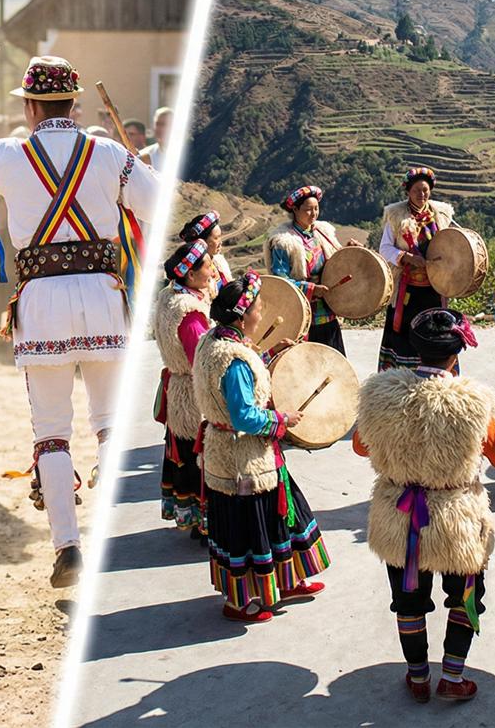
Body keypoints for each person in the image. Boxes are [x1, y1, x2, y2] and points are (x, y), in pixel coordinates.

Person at [0, 55, 160, 587]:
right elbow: (156, 203)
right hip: (101, 296)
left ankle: (67, 546)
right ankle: (114, 539)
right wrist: (138, 170)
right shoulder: (108, 152)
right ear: (73, 103)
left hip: (41, 303)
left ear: (28, 107)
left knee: (51, 430)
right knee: (109, 421)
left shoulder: (7, 155)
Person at [354, 307, 495, 703]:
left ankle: (416, 677)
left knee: (408, 600)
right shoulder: (474, 404)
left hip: (399, 516)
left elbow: (362, 445)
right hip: (455, 521)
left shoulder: (381, 394)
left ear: (416, 349)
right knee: (465, 597)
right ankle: (452, 676)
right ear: (456, 353)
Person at [193, 271, 328, 622]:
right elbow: (243, 416)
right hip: (244, 458)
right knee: (248, 529)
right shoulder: (234, 359)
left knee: (278, 518)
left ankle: (286, 581)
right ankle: (238, 602)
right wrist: (282, 420)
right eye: (258, 307)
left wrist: (266, 355)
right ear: (242, 315)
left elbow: (238, 384)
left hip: (240, 454)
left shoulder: (214, 341)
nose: (262, 313)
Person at [153, 239, 214, 540]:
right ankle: (207, 525)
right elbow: (201, 358)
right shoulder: (189, 313)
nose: (213, 270)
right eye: (207, 266)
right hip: (193, 392)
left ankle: (193, 520)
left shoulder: (168, 297)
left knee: (188, 456)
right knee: (201, 459)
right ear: (191, 275)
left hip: (177, 389)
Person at [377, 167, 453, 371]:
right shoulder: (396, 216)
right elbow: (384, 248)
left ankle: (437, 372)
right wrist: (407, 258)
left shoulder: (441, 215)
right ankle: (403, 377)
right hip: (407, 289)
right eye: (417, 190)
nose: (422, 195)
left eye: (425, 190)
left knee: (437, 333)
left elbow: (453, 242)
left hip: (435, 287)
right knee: (405, 334)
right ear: (408, 192)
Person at [269, 185, 359, 355]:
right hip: (302, 316)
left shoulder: (323, 233)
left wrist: (350, 251)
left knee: (334, 363)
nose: (313, 214)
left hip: (328, 312)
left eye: (316, 208)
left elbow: (335, 263)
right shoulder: (283, 242)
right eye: (308, 209)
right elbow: (280, 281)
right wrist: (311, 289)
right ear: (295, 209)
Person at [178, 210, 232, 294]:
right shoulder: (197, 276)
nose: (221, 242)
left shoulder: (219, 263)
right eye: (217, 238)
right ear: (202, 241)